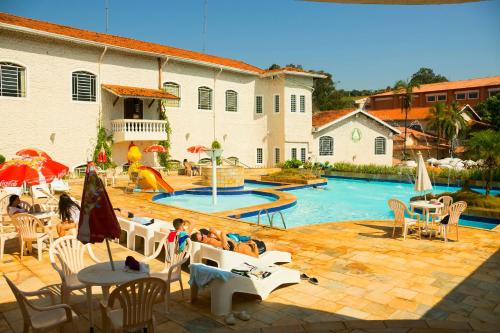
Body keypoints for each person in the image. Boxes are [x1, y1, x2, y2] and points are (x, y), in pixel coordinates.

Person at [190, 228, 266, 258]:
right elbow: (256, 257)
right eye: (202, 237)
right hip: (246, 248)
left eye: (203, 234)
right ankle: (257, 243)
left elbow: (219, 232)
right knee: (261, 244)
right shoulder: (210, 242)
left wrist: (247, 243)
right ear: (200, 241)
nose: (205, 236)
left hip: (241, 244)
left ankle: (254, 241)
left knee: (242, 238)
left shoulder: (208, 240)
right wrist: (254, 245)